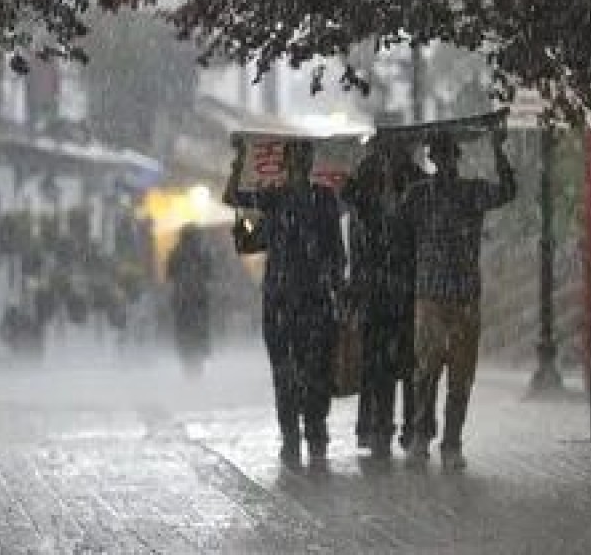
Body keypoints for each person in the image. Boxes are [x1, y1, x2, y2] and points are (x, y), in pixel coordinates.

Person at [400, 126, 516, 468]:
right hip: (431, 296)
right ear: (433, 159)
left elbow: (508, 190)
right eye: (440, 155)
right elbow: (396, 225)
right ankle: (422, 435)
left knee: (460, 377)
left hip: (463, 296)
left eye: (449, 155)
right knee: (427, 372)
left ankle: (451, 442)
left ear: (456, 157)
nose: (445, 161)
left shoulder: (471, 192)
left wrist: (498, 150)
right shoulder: (419, 195)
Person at [224, 140, 346, 465]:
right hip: (287, 301)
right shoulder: (278, 199)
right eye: (296, 159)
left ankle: (310, 434)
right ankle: (297, 436)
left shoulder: (317, 198)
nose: (300, 165)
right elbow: (233, 200)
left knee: (310, 371)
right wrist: (238, 162)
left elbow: (335, 250)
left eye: (303, 159)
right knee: (291, 372)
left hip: (308, 299)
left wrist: (338, 287)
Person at [341, 134, 427, 459]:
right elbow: (350, 202)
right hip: (376, 288)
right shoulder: (365, 182)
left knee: (408, 364)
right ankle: (379, 428)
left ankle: (410, 428)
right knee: (378, 364)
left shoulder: (416, 183)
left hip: (406, 286)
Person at [166, 224, 214, 373]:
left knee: (184, 330)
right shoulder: (202, 252)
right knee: (199, 329)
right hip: (198, 297)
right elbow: (210, 273)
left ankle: (188, 360)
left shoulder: (176, 252)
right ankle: (197, 358)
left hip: (183, 298)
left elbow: (169, 274)